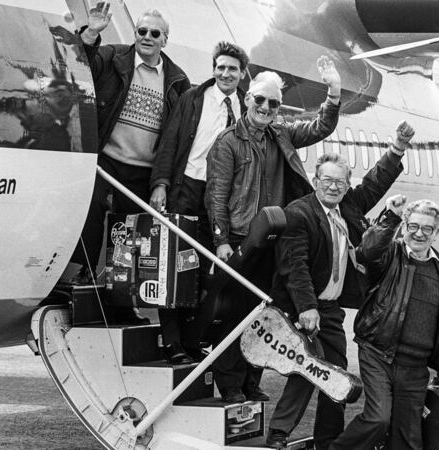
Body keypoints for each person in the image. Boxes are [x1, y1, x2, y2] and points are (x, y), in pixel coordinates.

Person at [265, 122, 415, 449]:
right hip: (300, 309)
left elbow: (374, 185)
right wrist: (306, 308)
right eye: (327, 180)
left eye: (340, 182)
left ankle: (327, 441)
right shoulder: (299, 213)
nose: (333, 187)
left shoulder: (346, 207)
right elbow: (295, 266)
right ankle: (278, 435)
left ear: (347, 185)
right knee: (307, 368)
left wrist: (398, 148)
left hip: (330, 311)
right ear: (315, 181)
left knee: (336, 376)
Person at [204, 56, 341, 403]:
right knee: (234, 315)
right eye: (260, 100)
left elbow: (320, 127)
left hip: (274, 240)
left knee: (266, 315)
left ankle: (252, 381)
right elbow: (216, 195)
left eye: (273, 103)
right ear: (247, 98)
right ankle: (231, 385)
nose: (265, 107)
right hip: (241, 239)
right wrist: (220, 241)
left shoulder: (281, 134)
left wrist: (334, 91)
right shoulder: (228, 142)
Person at [68, 3, 190, 324]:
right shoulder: (113, 57)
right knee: (93, 208)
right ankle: (82, 275)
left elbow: (178, 136)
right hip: (108, 159)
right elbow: (82, 63)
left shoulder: (177, 80)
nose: (146, 37)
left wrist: (162, 182)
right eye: (141, 31)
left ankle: (122, 302)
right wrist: (91, 33)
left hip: (143, 171)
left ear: (165, 39)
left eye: (154, 33)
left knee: (128, 236)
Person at [328, 197, 439, 450]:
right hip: (378, 353)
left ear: (436, 233)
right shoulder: (390, 253)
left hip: (415, 366)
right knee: (379, 418)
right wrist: (389, 217)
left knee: (407, 440)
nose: (419, 233)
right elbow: (366, 251)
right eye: (413, 226)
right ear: (404, 226)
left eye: (427, 228)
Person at [147, 41, 249, 364]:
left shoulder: (248, 109)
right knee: (173, 267)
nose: (225, 73)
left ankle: (193, 339)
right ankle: (173, 342)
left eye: (232, 68)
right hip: (187, 188)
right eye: (220, 67)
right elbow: (170, 141)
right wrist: (160, 184)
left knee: (206, 273)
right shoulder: (194, 99)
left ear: (242, 74)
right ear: (213, 68)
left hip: (221, 198)